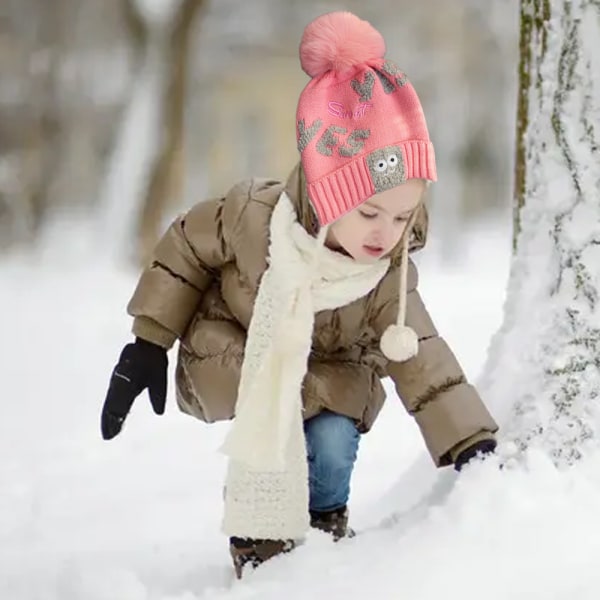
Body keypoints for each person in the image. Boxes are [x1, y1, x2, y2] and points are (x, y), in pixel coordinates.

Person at [100, 11, 499, 579]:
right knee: (274, 426)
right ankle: (258, 544)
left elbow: (422, 355)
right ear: (328, 193)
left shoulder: (388, 271)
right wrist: (148, 341)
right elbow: (184, 248)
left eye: (403, 217)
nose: (386, 233)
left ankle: (323, 526)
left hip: (334, 378)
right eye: (369, 213)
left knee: (332, 441)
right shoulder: (252, 217)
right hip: (245, 359)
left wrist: (469, 439)